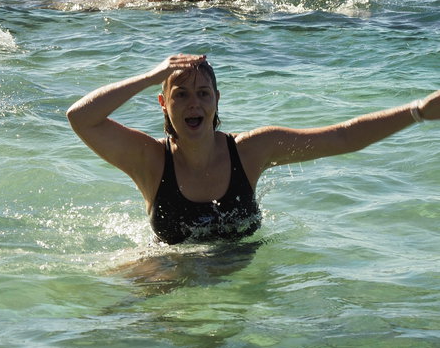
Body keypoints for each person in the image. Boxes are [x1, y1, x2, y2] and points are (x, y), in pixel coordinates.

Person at [67, 54, 439, 245]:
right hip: (169, 274)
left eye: (203, 94)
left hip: (236, 283)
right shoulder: (150, 160)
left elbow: (341, 138)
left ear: (216, 100)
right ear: (163, 104)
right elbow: (81, 118)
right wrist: (151, 75)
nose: (193, 105)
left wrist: (417, 112)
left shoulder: (251, 151)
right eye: (181, 95)